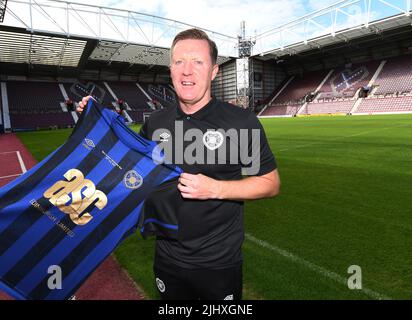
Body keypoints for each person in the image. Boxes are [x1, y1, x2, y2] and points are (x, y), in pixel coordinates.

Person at [77, 28, 280, 300]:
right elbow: (124, 171)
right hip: (167, 260)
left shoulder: (241, 123)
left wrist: (216, 189)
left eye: (198, 62)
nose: (187, 71)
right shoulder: (155, 123)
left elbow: (270, 184)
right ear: (170, 69)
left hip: (219, 264)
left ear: (214, 71)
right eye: (179, 62)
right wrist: (94, 121)